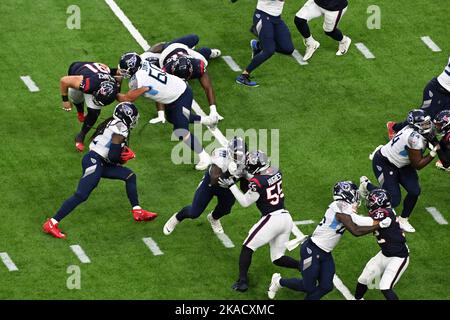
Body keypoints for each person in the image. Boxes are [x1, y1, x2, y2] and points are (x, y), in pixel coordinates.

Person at [42, 102, 158, 239]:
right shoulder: (121, 128)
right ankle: (51, 223)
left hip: (100, 161)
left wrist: (122, 157)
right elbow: (113, 157)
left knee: (130, 176)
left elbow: (111, 155)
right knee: (81, 194)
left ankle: (137, 211)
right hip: (95, 161)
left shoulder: (114, 122)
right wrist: (126, 157)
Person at [267, 181, 391, 300]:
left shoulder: (342, 207)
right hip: (310, 250)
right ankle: (278, 282)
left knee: (326, 286)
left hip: (325, 253)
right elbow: (356, 231)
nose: (355, 196)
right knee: (308, 287)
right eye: (353, 193)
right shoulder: (339, 208)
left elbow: (357, 220)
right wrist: (379, 224)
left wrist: (379, 220)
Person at [218, 150, 307, 292]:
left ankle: (242, 282)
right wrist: (247, 175)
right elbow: (263, 180)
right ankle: (304, 266)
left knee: (247, 246)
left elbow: (245, 202)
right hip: (286, 218)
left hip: (272, 219)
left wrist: (231, 185)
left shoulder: (256, 182)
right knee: (277, 257)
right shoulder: (276, 170)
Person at [116, 57, 218, 170]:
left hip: (180, 95)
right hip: (173, 93)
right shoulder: (143, 62)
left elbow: (127, 99)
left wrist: (112, 93)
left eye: (124, 70)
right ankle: (208, 120)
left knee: (180, 131)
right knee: (173, 118)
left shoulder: (137, 80)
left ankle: (204, 157)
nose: (122, 72)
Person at [361, 109, 440, 233]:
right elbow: (418, 165)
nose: (428, 125)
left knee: (414, 191)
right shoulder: (413, 139)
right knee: (393, 200)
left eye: (427, 122)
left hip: (403, 164)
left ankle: (403, 219)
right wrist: (433, 153)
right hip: (386, 163)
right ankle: (366, 185)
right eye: (424, 124)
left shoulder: (412, 129)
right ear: (415, 125)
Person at [119, 34, 223, 124]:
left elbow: (207, 86)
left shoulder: (198, 64)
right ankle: (201, 50)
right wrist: (161, 113)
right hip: (170, 52)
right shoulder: (164, 66)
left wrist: (213, 110)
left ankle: (208, 52)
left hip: (184, 52)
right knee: (192, 40)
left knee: (197, 42)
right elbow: (159, 85)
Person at [163, 137, 247, 236]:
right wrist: (229, 172)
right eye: (236, 155)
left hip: (228, 186)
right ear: (230, 152)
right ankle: (177, 218)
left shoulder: (247, 161)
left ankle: (213, 218)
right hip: (210, 185)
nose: (239, 157)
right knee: (194, 212)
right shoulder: (221, 155)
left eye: (241, 155)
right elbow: (214, 179)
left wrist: (248, 189)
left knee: (225, 209)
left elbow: (244, 184)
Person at [355, 189, 409, 300]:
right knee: (363, 279)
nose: (369, 203)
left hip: (398, 257)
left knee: (385, 287)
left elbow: (363, 222)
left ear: (379, 202)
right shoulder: (385, 212)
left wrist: (348, 215)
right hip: (384, 254)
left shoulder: (385, 212)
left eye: (371, 201)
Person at [60, 61, 120, 152]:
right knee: (76, 97)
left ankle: (81, 135)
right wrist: (65, 100)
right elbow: (64, 80)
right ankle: (80, 111)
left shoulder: (114, 87)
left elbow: (118, 78)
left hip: (100, 77)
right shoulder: (89, 84)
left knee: (94, 112)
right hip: (78, 70)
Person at [233, 0, 295, 87]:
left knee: (288, 49)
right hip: (262, 16)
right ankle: (243, 76)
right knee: (269, 50)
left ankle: (258, 45)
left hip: (276, 19)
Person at [387, 57, 450, 139]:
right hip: (437, 90)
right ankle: (394, 128)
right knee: (424, 118)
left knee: (446, 120)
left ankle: (441, 145)